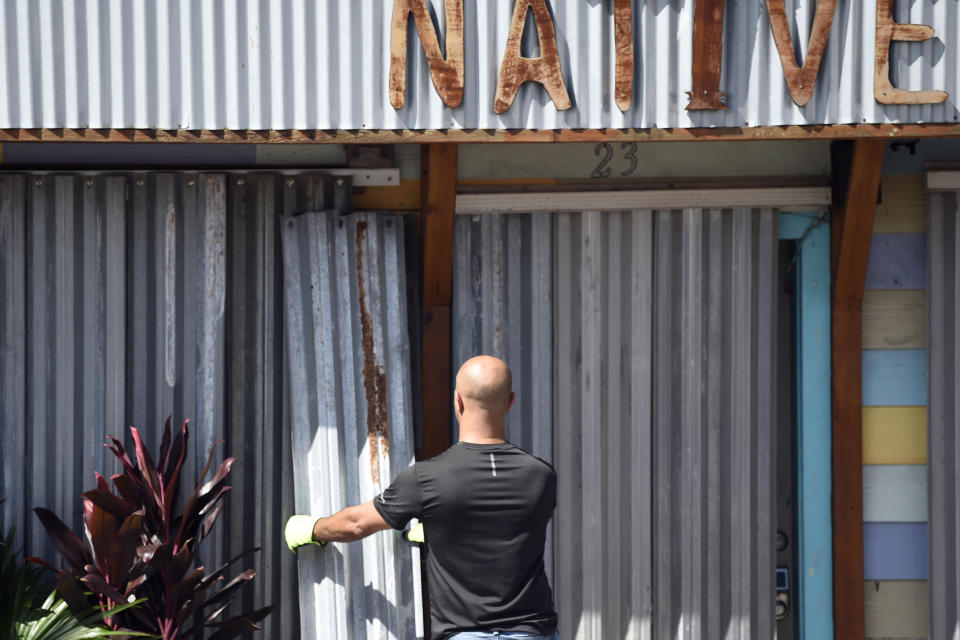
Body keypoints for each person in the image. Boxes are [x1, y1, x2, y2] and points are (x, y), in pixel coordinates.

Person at [285, 355, 559, 640]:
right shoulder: (541, 477)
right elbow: (504, 524)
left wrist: (313, 529)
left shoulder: (427, 478)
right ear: (511, 402)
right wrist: (440, 526)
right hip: (533, 632)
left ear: (458, 401)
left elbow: (355, 523)